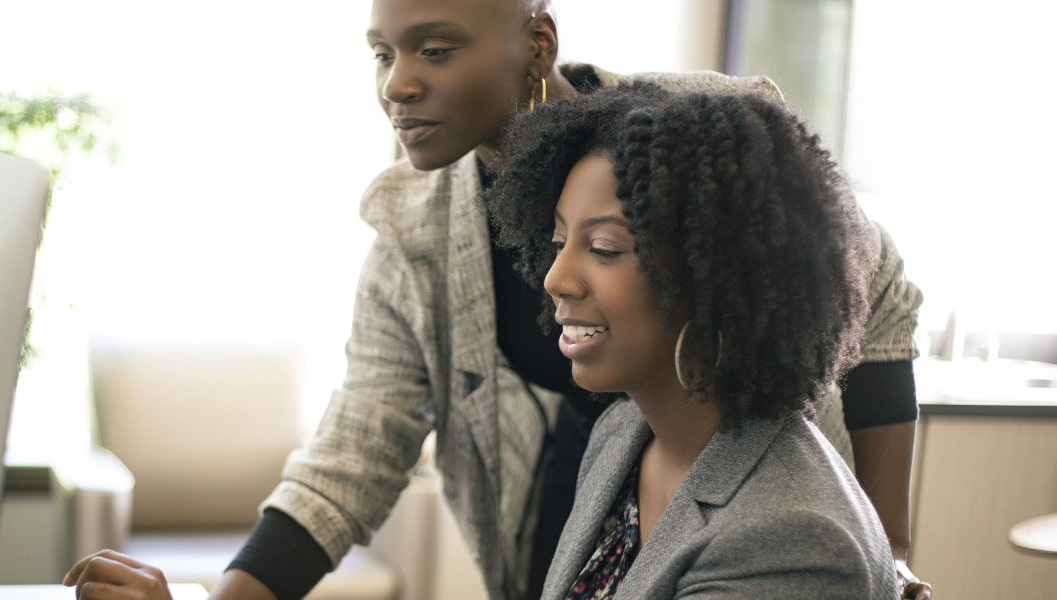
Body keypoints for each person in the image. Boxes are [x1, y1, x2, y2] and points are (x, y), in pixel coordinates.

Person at [64, 0, 931, 598]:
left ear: (537, 45)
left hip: (739, 473)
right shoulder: (413, 228)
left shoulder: (701, 137)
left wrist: (887, 541)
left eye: (434, 49)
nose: (396, 84)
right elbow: (354, 453)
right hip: (599, 471)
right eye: (382, 52)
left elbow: (877, 288)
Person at [486, 80, 896, 598]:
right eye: (560, 241)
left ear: (712, 280)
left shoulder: (790, 540)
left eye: (605, 248)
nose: (555, 279)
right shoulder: (622, 435)